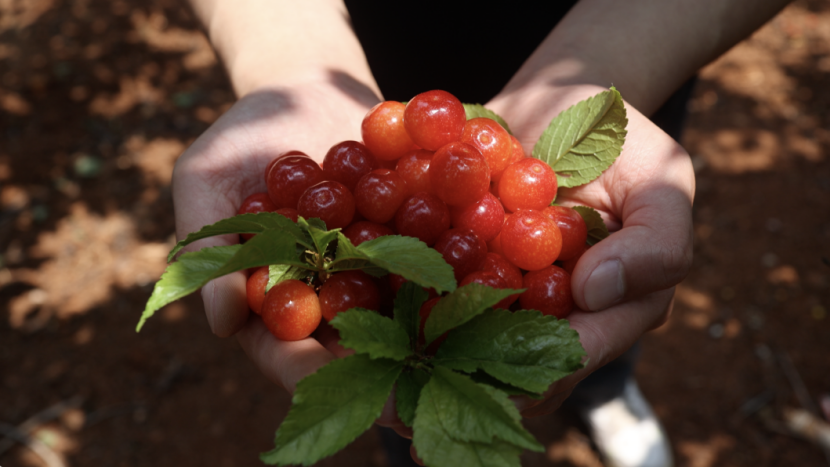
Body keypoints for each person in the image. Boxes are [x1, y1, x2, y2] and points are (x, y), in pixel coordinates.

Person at [172, 1, 791, 465]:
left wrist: (603, 65)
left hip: (639, 29)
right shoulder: (372, 202)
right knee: (407, 389)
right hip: (367, 34)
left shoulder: (515, 209)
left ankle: (605, 389)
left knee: (594, 284)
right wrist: (290, 66)